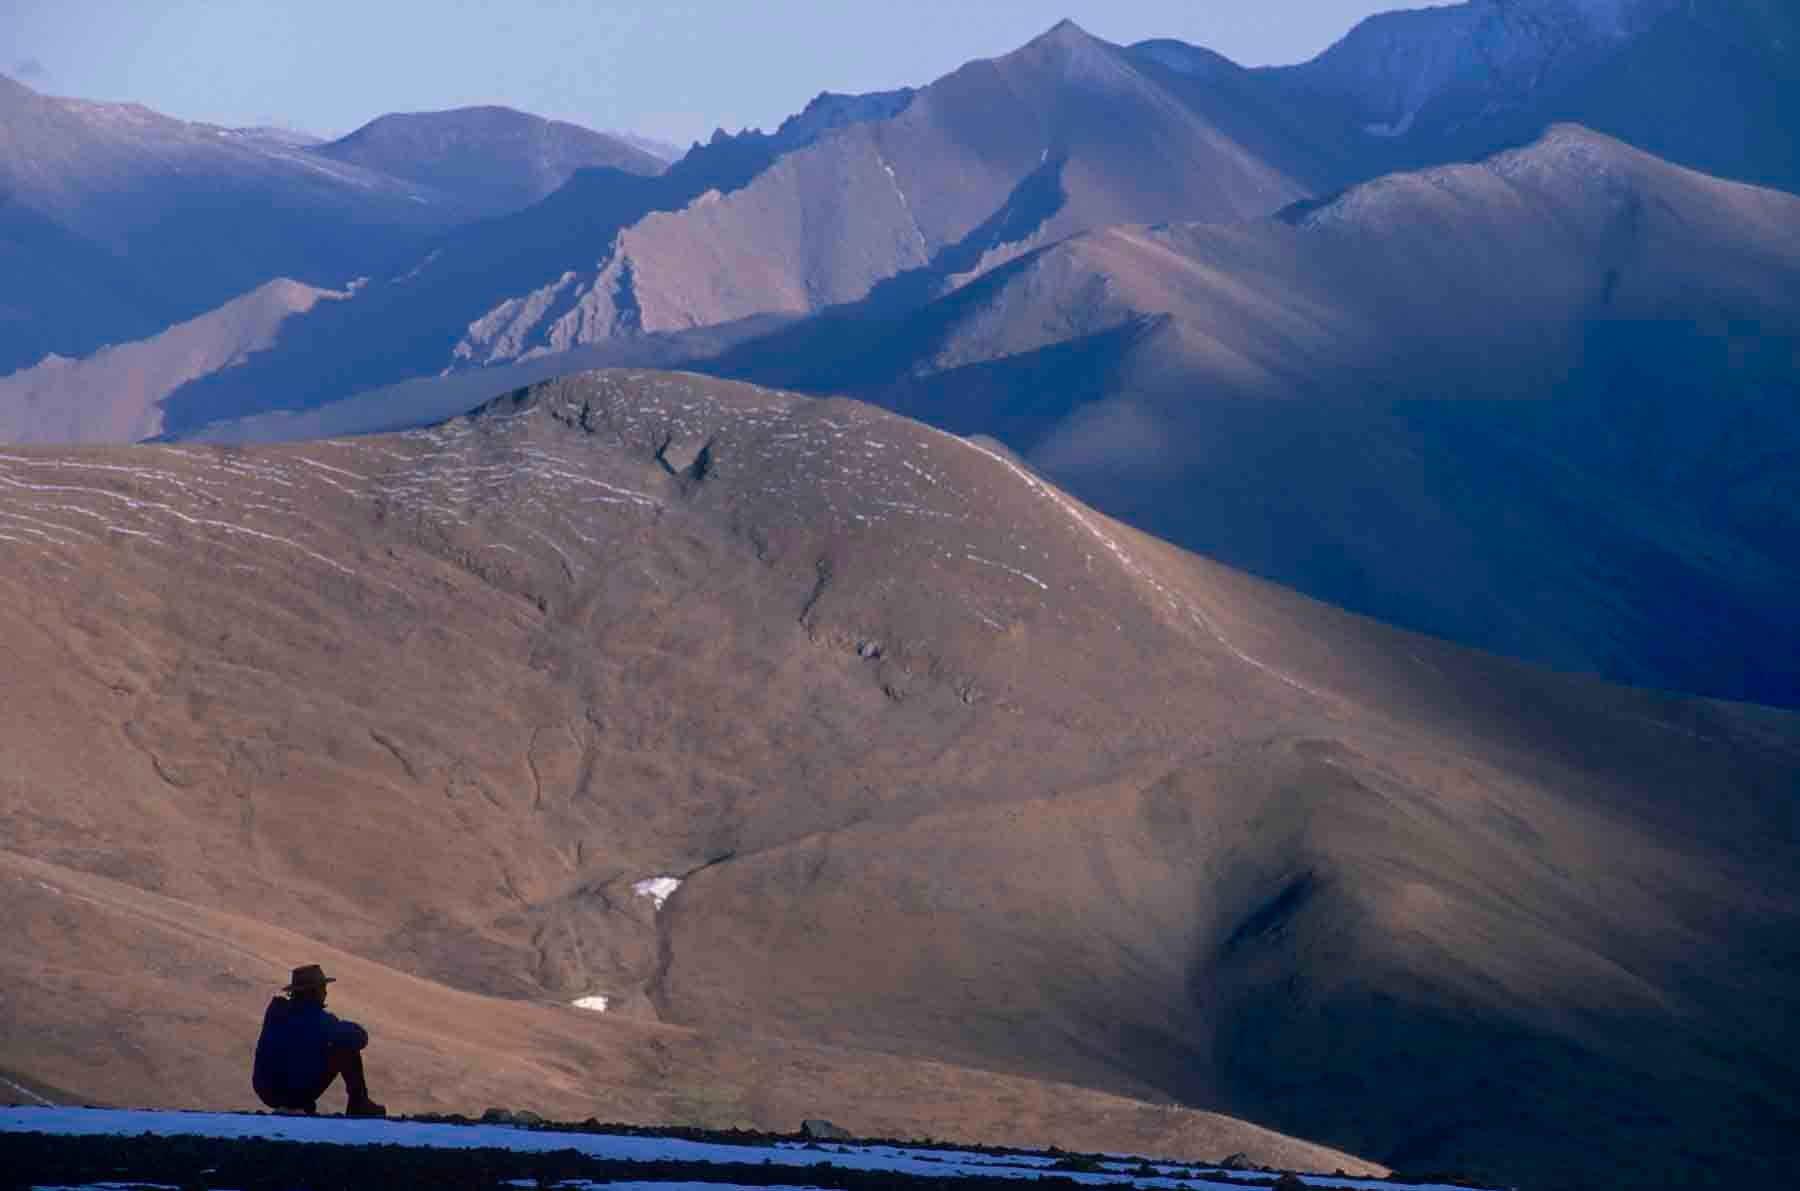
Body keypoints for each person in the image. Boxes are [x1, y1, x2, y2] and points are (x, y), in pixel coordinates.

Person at [252, 963, 386, 1118]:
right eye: (323, 988)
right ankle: (359, 1104)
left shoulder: (276, 1013)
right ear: (314, 992)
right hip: (293, 1090)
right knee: (345, 1049)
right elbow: (360, 1038)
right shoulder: (317, 1020)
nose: (325, 993)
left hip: (267, 1091)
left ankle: (299, 1103)